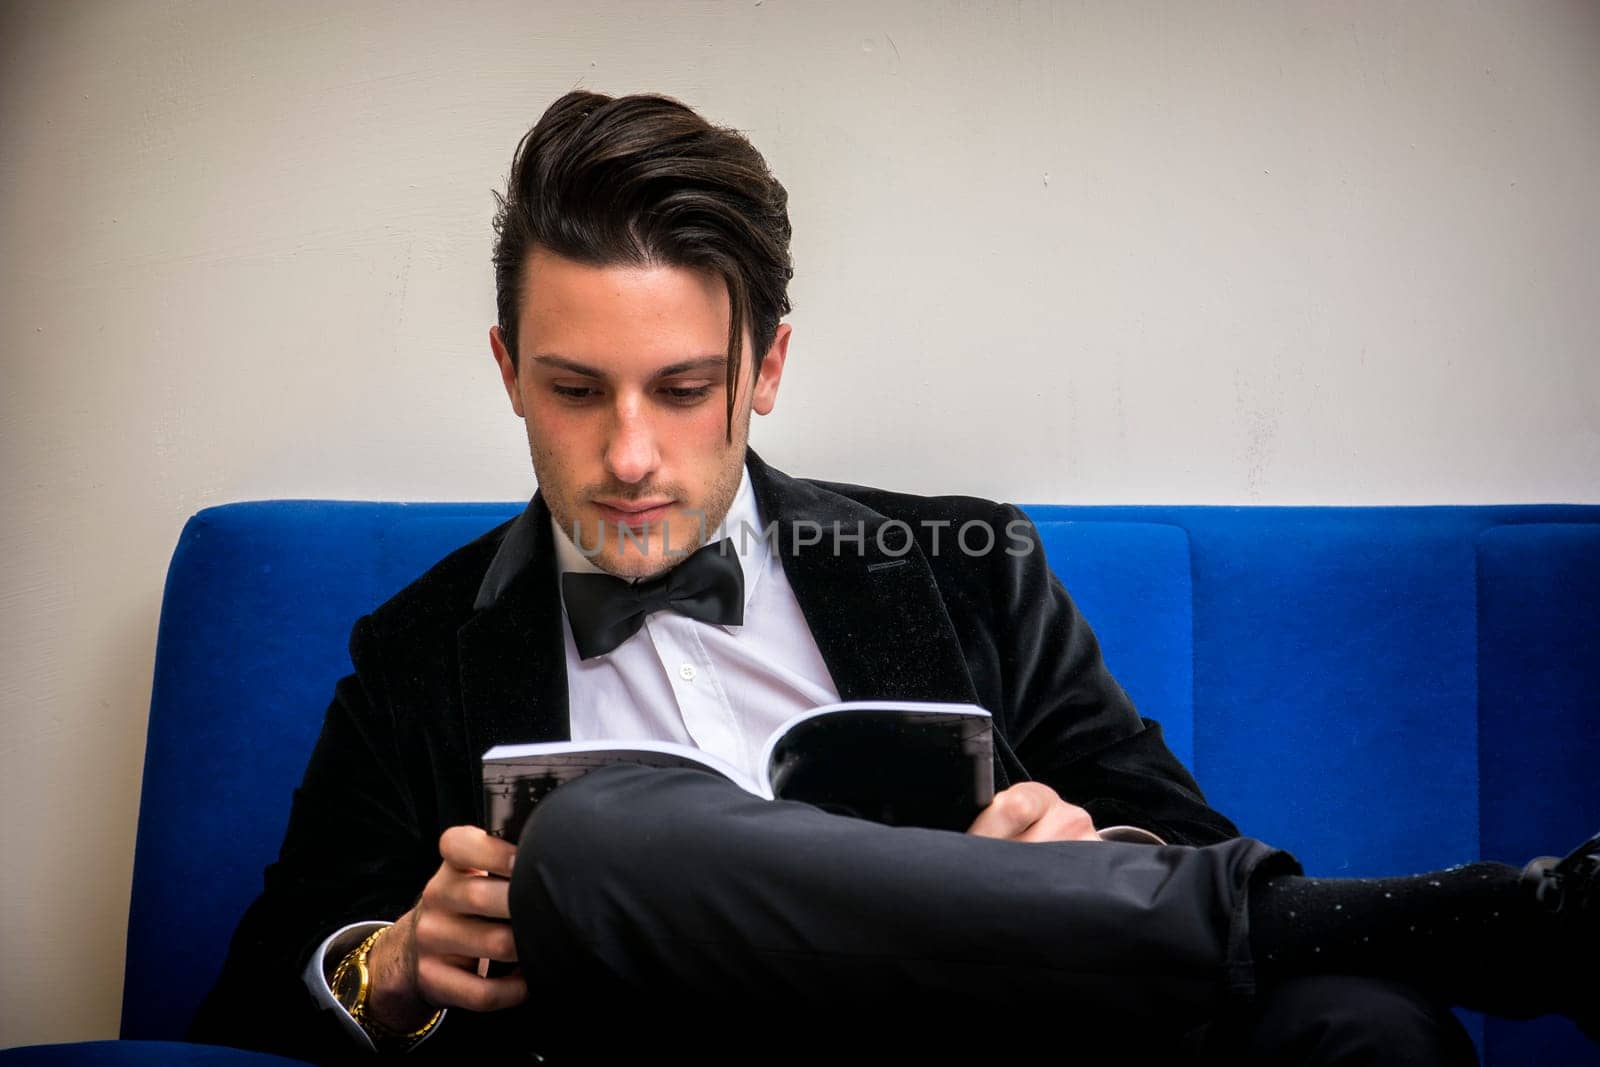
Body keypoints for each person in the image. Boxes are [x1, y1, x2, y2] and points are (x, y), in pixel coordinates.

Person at [186, 90, 1597, 1065]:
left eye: (684, 390)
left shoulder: (964, 566)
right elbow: (246, 998)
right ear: (508, 373)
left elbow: (1183, 837)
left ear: (768, 370)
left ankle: (1428, 940)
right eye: (575, 390)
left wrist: (1087, 857)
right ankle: (1490, 919)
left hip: (1001, 1055)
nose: (628, 455)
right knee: (600, 842)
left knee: (1370, 1028)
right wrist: (389, 968)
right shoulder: (420, 649)